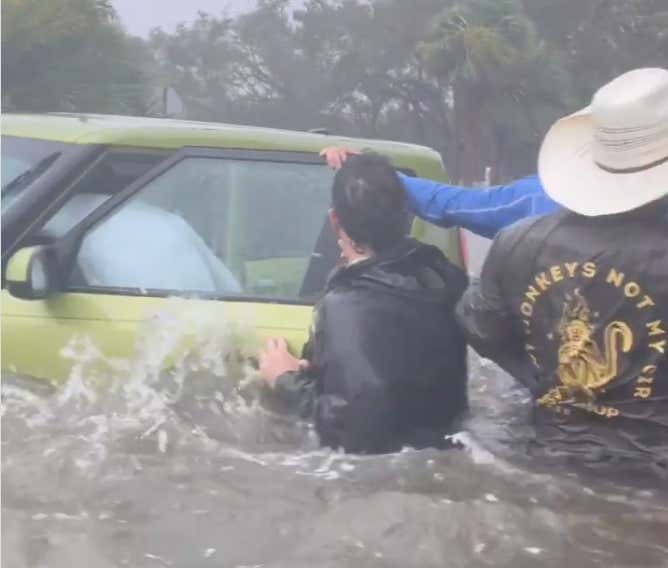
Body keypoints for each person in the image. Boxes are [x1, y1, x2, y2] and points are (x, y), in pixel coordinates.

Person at [456, 68, 668, 473]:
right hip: (653, 486)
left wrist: (541, 378)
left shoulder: (516, 243)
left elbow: (477, 324)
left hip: (549, 461)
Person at [258, 153, 469, 454]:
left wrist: (286, 382)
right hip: (448, 454)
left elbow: (354, 428)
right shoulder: (447, 278)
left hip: (377, 475)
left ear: (334, 220)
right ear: (407, 214)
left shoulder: (342, 307)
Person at [321, 148, 558, 239]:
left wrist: (367, 171)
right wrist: (371, 170)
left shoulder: (539, 198)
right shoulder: (539, 196)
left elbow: (455, 205)